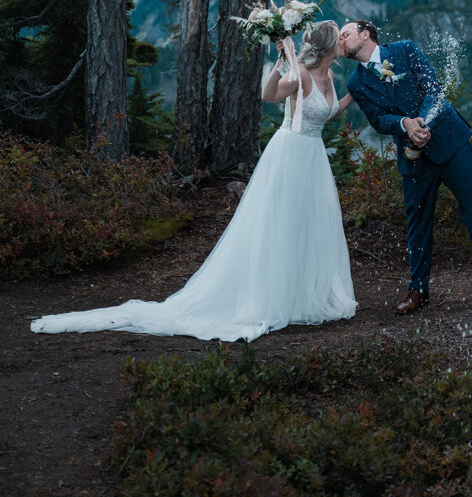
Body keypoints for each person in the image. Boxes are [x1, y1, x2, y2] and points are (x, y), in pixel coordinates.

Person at [31, 21, 356, 342]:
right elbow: (267, 95)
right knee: (280, 224)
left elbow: (326, 114)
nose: (345, 42)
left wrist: (354, 95)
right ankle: (270, 297)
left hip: (313, 156)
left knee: (308, 225)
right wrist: (283, 63)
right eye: (340, 38)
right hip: (289, 155)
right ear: (329, 47)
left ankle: (301, 294)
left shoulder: (328, 75)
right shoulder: (300, 75)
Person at [339, 20, 472, 314]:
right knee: (417, 225)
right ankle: (418, 290)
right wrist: (405, 125)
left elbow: (434, 90)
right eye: (339, 39)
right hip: (413, 158)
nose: (341, 41)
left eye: (345, 34)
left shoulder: (405, 50)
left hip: (451, 144)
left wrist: (422, 123)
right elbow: (379, 120)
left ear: (365, 34)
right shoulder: (356, 83)